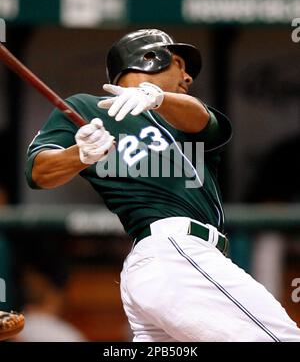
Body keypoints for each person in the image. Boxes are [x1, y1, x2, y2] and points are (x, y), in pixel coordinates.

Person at [25, 29, 300, 342]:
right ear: (150, 59)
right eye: (180, 64)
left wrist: (156, 97)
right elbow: (38, 172)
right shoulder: (88, 109)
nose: (188, 78)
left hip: (181, 265)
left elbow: (204, 121)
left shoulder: (183, 116)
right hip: (171, 252)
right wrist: (81, 154)